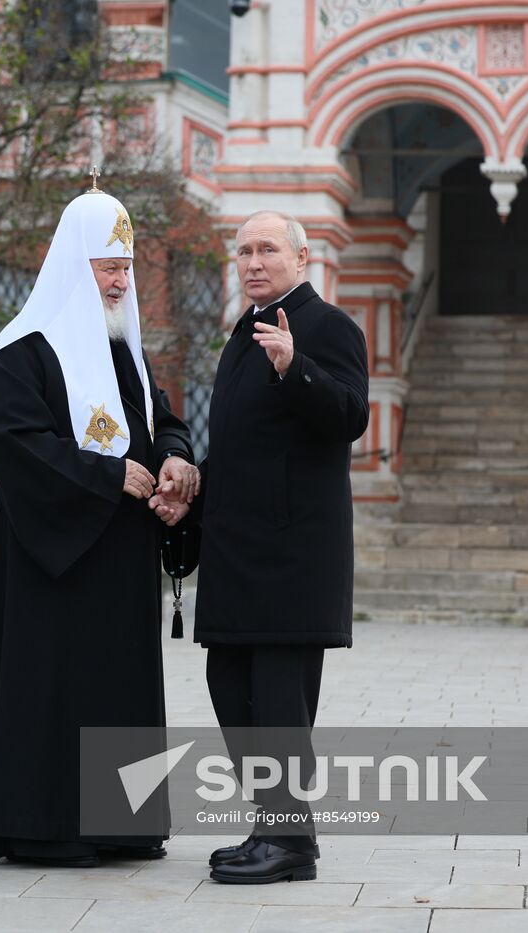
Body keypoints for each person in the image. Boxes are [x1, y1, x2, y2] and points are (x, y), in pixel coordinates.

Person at [0, 182, 198, 868]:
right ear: (72, 265)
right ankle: (44, 823)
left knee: (118, 685)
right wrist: (106, 474)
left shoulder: (127, 348)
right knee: (55, 686)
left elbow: (163, 421)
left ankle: (123, 822)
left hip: (121, 554)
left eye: (126, 267)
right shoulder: (22, 351)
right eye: (107, 267)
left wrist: (177, 460)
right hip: (51, 556)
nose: (121, 281)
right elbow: (18, 441)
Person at [191, 210, 369, 883]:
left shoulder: (328, 326)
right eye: (243, 251)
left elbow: (351, 415)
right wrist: (193, 478)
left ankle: (291, 842)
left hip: (293, 552)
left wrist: (297, 367)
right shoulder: (242, 333)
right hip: (237, 548)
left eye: (267, 249)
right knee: (229, 683)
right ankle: (271, 823)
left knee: (279, 699)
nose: (253, 261)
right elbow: (245, 442)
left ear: (302, 255)